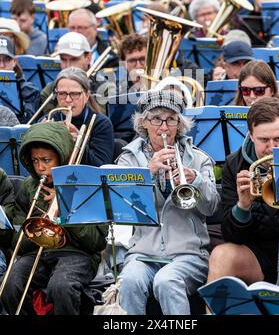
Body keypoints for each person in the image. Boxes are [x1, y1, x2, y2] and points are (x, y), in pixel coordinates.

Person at [117, 89, 220, 315]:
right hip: (142, 252)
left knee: (166, 281)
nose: (164, 128)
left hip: (189, 254)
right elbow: (122, 209)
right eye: (156, 119)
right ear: (144, 122)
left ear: (179, 123)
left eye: (171, 119)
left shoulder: (199, 158)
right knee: (128, 281)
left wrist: (197, 180)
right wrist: (148, 172)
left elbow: (211, 207)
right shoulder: (127, 159)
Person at [0, 121, 109, 315]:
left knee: (61, 287)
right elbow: (18, 243)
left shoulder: (86, 185)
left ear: (62, 158)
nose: (40, 167)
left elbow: (96, 243)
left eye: (46, 160)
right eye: (34, 161)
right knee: (10, 285)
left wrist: (65, 208)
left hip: (78, 254)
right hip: (38, 252)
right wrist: (36, 224)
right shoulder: (29, 187)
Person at [207, 98, 279, 291]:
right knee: (220, 256)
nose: (272, 147)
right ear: (250, 135)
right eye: (264, 140)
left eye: (278, 139)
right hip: (257, 252)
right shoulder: (234, 164)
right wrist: (243, 206)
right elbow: (231, 236)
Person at [52, 67, 114, 167]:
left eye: (75, 94)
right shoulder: (50, 119)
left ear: (86, 96)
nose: (68, 100)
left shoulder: (101, 123)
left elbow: (101, 168)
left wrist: (78, 143)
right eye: (62, 93)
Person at [0, 35, 40, 123]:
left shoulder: (29, 90)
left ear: (15, 61)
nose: (2, 65)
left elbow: (29, 122)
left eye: (6, 59)